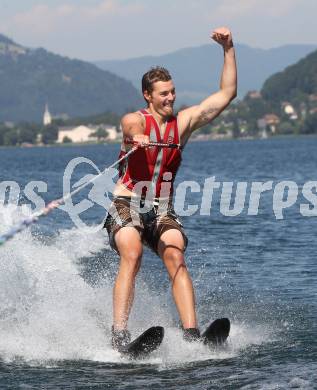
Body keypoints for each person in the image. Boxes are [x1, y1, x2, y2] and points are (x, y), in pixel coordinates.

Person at [104, 27, 237, 350]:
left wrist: (229, 49)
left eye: (173, 91)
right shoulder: (135, 120)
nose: (171, 97)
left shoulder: (184, 123)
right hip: (127, 203)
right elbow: (129, 127)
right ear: (148, 96)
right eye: (163, 93)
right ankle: (119, 335)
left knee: (175, 252)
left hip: (162, 207)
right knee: (132, 253)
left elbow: (226, 94)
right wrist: (136, 138)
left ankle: (192, 335)